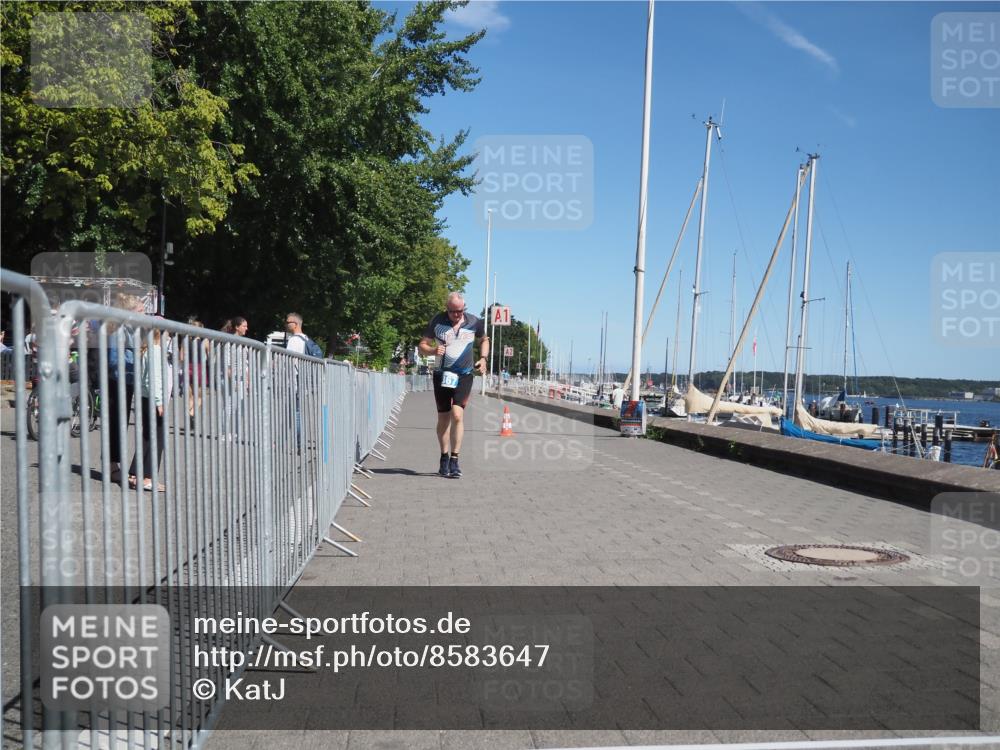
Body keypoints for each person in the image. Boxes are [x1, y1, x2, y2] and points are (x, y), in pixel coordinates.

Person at [418, 292, 489, 478]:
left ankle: (455, 459)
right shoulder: (437, 321)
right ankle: (443, 457)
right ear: (446, 309)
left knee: (457, 415)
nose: (456, 315)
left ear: (464, 308)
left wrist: (483, 358)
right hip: (442, 375)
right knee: (443, 418)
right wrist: (433, 349)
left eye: (459, 311)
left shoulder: (474, 321)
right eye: (452, 311)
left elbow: (484, 340)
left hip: (464, 375)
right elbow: (422, 346)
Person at [128, 328, 168, 491]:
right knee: (157, 438)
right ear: (161, 335)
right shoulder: (156, 351)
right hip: (154, 399)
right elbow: (155, 379)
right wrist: (159, 402)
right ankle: (147, 478)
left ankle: (135, 474)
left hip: (145, 397)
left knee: (146, 437)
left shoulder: (145, 350)